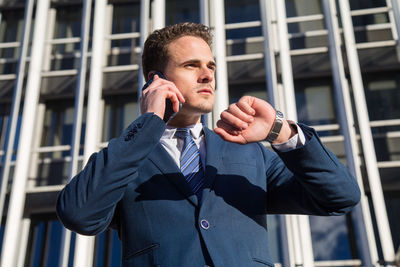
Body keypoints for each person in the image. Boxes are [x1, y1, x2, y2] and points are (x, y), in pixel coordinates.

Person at [57, 22, 360, 267]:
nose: (208, 75)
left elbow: (340, 197)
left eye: (211, 66)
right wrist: (149, 122)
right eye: (192, 65)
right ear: (157, 79)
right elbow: (79, 215)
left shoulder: (247, 151)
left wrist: (280, 131)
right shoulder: (125, 158)